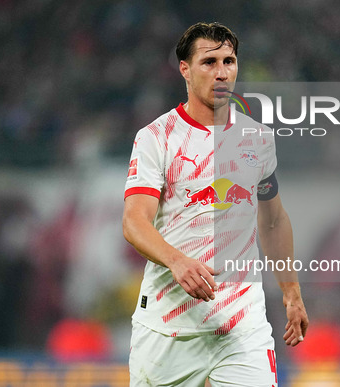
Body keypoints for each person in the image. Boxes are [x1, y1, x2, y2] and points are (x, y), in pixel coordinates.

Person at [123, 22, 309, 387]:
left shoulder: (257, 139)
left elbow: (272, 222)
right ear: (185, 69)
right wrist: (177, 261)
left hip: (243, 328)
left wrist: (292, 293)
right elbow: (134, 222)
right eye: (209, 62)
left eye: (230, 61)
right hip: (169, 327)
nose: (222, 72)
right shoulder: (156, 138)